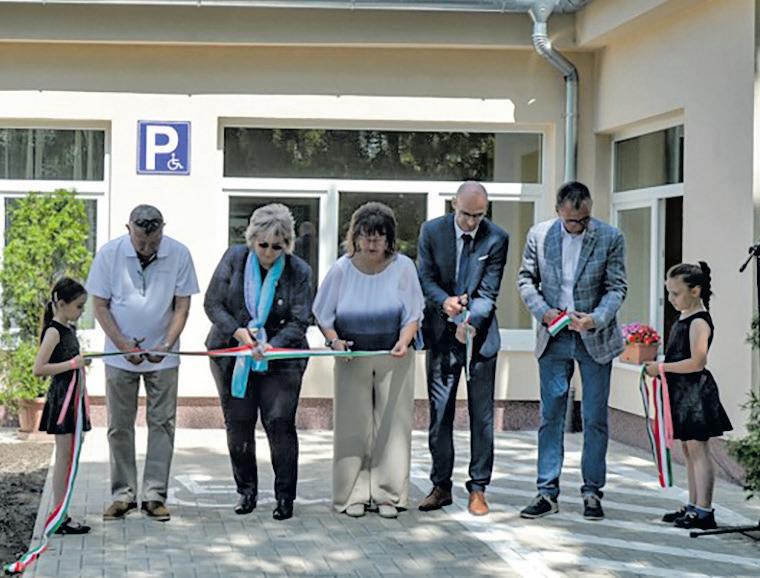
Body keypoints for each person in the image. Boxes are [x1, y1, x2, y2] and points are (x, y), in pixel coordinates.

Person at [517, 181, 627, 521]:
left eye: (584, 219)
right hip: (554, 335)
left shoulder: (610, 237)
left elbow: (616, 287)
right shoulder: (539, 235)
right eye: (571, 221)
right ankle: (546, 492)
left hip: (594, 336)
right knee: (550, 416)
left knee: (594, 418)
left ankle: (592, 492)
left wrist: (595, 318)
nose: (578, 226)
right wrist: (543, 312)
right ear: (558, 212)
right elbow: (525, 280)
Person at [86, 205, 199, 522]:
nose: (148, 248)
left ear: (163, 228)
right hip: (119, 354)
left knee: (162, 423)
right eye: (141, 242)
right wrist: (122, 345)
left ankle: (154, 495)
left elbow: (182, 307)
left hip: (163, 355)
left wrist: (166, 344)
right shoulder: (109, 254)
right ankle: (123, 495)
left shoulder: (179, 253)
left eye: (154, 241)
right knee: (119, 425)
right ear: (128, 230)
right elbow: (100, 306)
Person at [313, 202, 423, 519]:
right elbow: (323, 313)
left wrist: (404, 341)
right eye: (366, 236)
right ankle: (352, 494)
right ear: (355, 237)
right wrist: (335, 341)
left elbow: (413, 313)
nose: (372, 243)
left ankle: (389, 494)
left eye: (379, 237)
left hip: (394, 355)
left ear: (389, 239)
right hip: (352, 358)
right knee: (353, 425)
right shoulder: (341, 269)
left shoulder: (403, 267)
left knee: (393, 425)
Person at [205, 203, 312, 521]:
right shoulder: (234, 259)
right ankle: (246, 491)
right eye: (263, 245)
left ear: (287, 245)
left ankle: (284, 497)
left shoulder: (299, 271)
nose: (268, 253)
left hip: (280, 356)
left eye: (277, 247)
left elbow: (300, 319)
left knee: (279, 423)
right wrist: (239, 333)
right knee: (238, 423)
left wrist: (271, 345)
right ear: (252, 239)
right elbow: (213, 304)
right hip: (234, 352)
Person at [416, 181, 509, 516]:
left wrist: (468, 321)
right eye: (467, 214)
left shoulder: (496, 237)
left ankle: (478, 488)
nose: (471, 222)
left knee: (481, 418)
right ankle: (441, 485)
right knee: (440, 414)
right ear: (454, 204)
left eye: (478, 216)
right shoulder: (431, 231)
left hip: (478, 338)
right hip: (441, 338)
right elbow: (424, 278)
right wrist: (445, 303)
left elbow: (489, 292)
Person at [644, 262, 732, 530]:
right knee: (688, 449)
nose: (671, 299)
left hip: (695, 394)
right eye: (669, 293)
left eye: (676, 293)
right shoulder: (684, 317)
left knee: (698, 450)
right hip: (682, 393)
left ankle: (704, 511)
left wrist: (662, 368)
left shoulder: (699, 322)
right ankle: (693, 505)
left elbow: (697, 362)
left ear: (695, 291)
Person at [34, 278, 90, 535]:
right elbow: (39, 369)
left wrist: (79, 363)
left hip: (73, 397)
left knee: (68, 457)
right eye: (79, 306)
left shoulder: (68, 329)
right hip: (62, 399)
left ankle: (61, 512)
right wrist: (72, 364)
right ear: (62, 304)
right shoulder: (54, 331)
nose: (82, 311)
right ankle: (59, 515)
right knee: (63, 457)